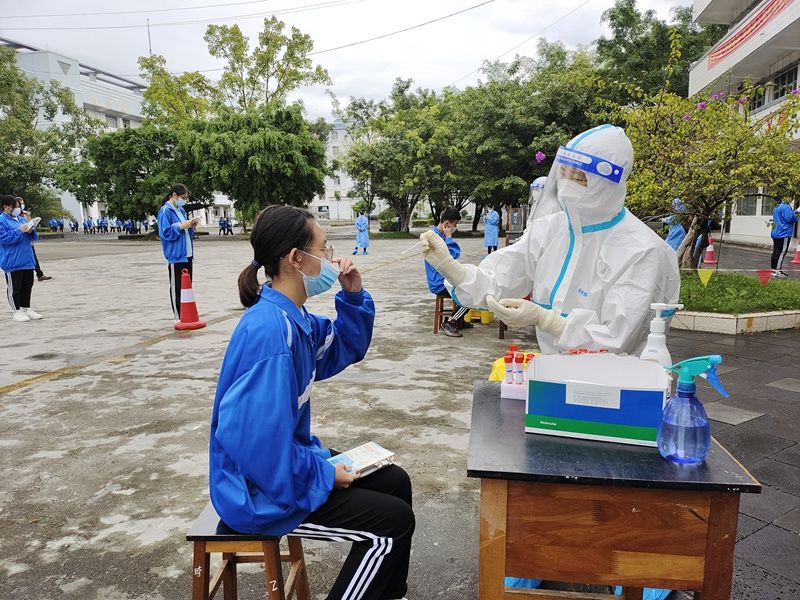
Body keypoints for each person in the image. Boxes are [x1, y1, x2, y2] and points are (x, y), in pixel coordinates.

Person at [209, 205, 414, 600]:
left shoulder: (294, 319)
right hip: (259, 488)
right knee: (391, 525)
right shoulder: (270, 335)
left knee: (395, 482)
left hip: (285, 464)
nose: (332, 258)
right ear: (296, 259)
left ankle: (387, 592)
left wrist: (353, 296)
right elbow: (255, 447)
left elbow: (343, 347)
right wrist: (321, 475)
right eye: (324, 247)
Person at [421, 124, 680, 357]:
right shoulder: (551, 230)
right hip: (554, 374)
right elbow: (501, 277)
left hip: (615, 389)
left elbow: (618, 338)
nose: (567, 184)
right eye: (564, 173)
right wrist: (451, 268)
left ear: (608, 183)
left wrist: (548, 321)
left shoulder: (641, 250)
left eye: (579, 177)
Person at [424, 207, 471, 338]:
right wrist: (449, 237)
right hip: (440, 283)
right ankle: (451, 321)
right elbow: (451, 256)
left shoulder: (438, 235)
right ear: (447, 224)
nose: (455, 228)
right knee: (470, 292)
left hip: (444, 279)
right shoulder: (434, 238)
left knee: (471, 281)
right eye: (454, 225)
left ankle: (460, 317)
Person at [157, 183, 199, 321]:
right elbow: (165, 233)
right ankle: (178, 316)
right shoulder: (165, 211)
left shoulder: (181, 210)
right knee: (177, 287)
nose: (184, 200)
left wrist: (190, 226)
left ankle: (187, 313)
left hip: (187, 254)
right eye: (183, 197)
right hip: (176, 255)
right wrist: (181, 226)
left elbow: (185, 230)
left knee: (187, 287)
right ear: (174, 195)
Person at [0, 195, 43, 322]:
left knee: (27, 285)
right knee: (15, 288)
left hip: (27, 259)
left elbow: (34, 237)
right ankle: (16, 311)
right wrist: (19, 231)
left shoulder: (21, 219)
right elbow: (4, 238)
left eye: (19, 207)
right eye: (15, 207)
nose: (18, 209)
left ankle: (26, 308)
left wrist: (30, 231)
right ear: (6, 207)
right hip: (12, 260)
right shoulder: (2, 220)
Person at [770, 198, 799, 278]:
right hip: (783, 233)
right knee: (781, 252)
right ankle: (777, 271)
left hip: (776, 232)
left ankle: (774, 270)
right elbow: (790, 219)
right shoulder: (785, 206)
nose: (791, 199)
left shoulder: (777, 206)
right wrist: (797, 212)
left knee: (776, 251)